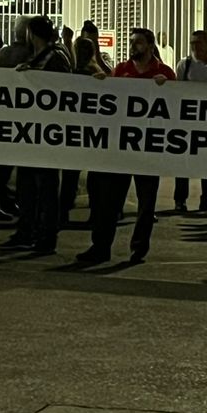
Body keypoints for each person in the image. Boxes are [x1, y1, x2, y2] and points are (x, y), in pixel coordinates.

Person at [77, 28, 174, 265]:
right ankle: (100, 247)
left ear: (151, 46)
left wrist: (167, 89)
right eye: (132, 42)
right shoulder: (121, 70)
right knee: (109, 201)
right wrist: (102, 84)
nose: (133, 47)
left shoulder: (164, 74)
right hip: (121, 146)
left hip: (148, 148)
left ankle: (139, 248)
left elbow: (175, 108)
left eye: (139, 43)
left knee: (146, 203)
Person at [0, 15, 71, 254]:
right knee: (27, 187)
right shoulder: (39, 58)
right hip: (30, 134)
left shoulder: (55, 57)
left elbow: (60, 90)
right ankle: (27, 231)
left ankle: (45, 237)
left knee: (47, 189)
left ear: (31, 33)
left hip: (46, 135)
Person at [60, 35, 112, 226]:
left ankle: (63, 213)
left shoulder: (77, 73)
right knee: (94, 177)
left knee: (70, 176)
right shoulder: (97, 72)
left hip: (76, 130)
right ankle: (95, 213)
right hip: (94, 130)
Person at [172, 30, 207, 215]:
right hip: (187, 122)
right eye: (192, 43)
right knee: (183, 163)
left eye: (198, 43)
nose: (194, 47)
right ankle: (180, 200)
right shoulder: (184, 64)